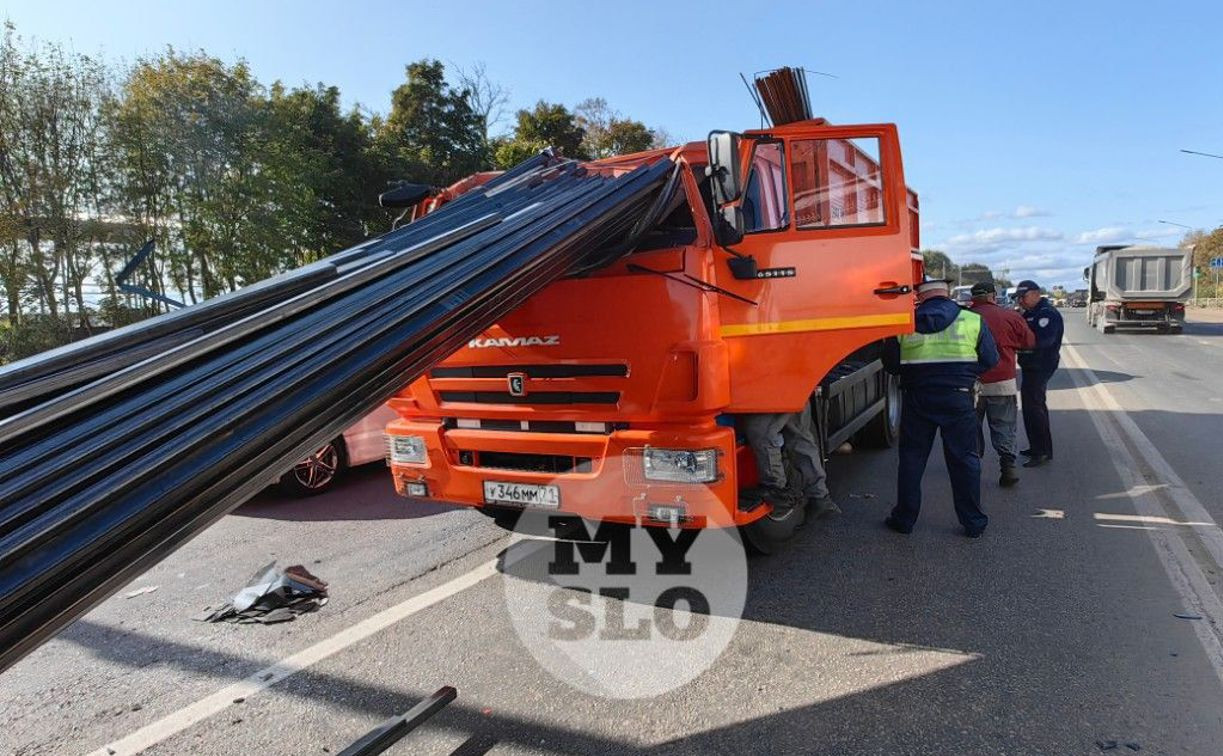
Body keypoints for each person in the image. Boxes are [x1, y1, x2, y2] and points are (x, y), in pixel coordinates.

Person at [882, 277, 999, 537]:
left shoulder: (904, 322)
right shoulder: (971, 320)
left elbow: (890, 364)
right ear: (946, 294)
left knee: (912, 460)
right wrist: (965, 375)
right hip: (958, 398)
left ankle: (904, 519)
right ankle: (973, 523)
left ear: (920, 296)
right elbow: (991, 359)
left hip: (917, 397)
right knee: (964, 460)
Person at [969, 281, 1035, 487]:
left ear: (973, 298)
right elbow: (1029, 342)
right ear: (992, 296)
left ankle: (972, 467)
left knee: (970, 427)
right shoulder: (1010, 316)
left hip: (970, 383)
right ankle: (1008, 467)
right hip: (1002, 381)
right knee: (1005, 426)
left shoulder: (963, 318)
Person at [742, 404, 840, 518]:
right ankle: (819, 497)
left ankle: (776, 489)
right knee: (798, 435)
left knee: (761, 428)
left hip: (771, 391)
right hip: (795, 390)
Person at [1015, 280, 1064, 467]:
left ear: (1036, 294)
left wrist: (1018, 342)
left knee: (1034, 408)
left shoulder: (1047, 314)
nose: (1020, 301)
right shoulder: (1030, 313)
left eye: (1023, 297)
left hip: (1041, 365)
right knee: (1032, 407)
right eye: (1018, 298)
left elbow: (1044, 340)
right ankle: (1037, 447)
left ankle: (1041, 451)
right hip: (1031, 365)